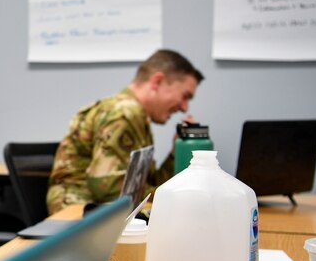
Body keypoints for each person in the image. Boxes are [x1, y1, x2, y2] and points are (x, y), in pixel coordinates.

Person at [47, 49, 203, 214]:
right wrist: (173, 197)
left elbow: (142, 186)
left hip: (98, 214)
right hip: (77, 216)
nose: (185, 108)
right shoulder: (125, 112)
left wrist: (175, 152)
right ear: (157, 81)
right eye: (185, 96)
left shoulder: (136, 116)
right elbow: (108, 187)